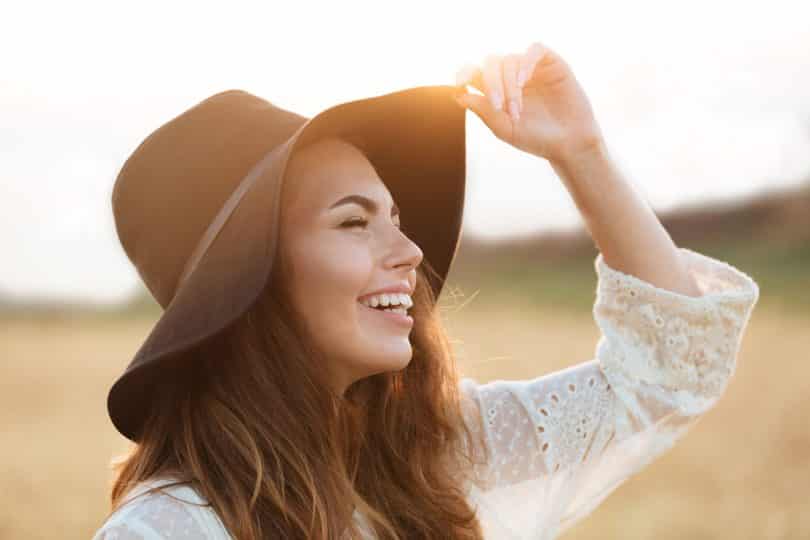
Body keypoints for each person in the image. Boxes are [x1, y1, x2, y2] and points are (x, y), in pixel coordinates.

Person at [92, 41, 760, 540]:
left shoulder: (445, 456)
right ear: (249, 282)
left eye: (398, 219)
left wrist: (580, 152)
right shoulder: (166, 530)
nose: (410, 254)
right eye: (355, 222)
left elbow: (671, 367)